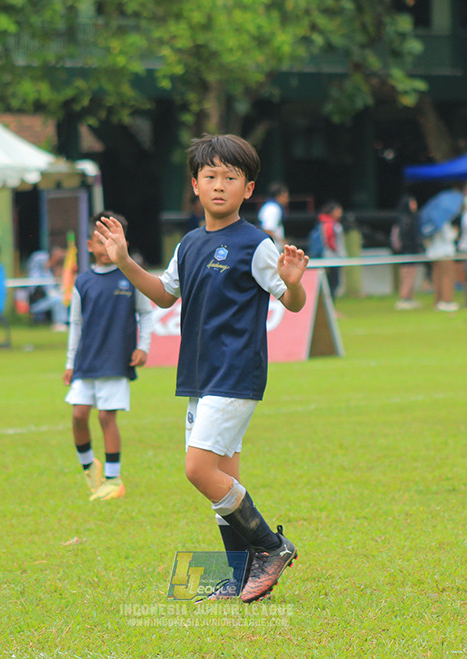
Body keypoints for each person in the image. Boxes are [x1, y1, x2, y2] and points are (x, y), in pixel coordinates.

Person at [94, 134, 306, 603]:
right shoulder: (189, 244)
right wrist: (125, 260)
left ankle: (272, 547)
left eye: (230, 178)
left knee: (197, 469)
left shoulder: (257, 245)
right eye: (210, 176)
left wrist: (293, 286)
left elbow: (291, 304)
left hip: (236, 374)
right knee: (221, 483)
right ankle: (238, 580)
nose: (219, 185)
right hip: (200, 375)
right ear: (194, 184)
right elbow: (164, 294)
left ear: (248, 189)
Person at [63, 211, 153, 501]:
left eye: (111, 241)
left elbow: (145, 313)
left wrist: (143, 347)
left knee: (106, 418)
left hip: (116, 360)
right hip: (86, 361)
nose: (105, 249)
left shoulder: (130, 276)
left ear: (123, 243)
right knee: (78, 415)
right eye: (99, 242)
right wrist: (69, 363)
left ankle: (114, 480)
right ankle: (90, 468)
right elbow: (75, 324)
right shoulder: (82, 282)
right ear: (90, 245)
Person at [424, 202, 459, 312]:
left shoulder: (431, 222)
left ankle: (437, 300)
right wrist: (456, 231)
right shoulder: (443, 222)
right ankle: (446, 300)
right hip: (445, 253)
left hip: (434, 253)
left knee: (437, 277)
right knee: (447, 277)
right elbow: (449, 237)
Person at [392, 194, 423, 310]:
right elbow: (407, 237)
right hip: (407, 252)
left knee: (411, 275)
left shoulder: (410, 218)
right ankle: (403, 298)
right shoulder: (406, 219)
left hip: (409, 251)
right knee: (407, 276)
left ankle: (409, 297)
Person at [27, 248, 69, 330]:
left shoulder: (48, 273)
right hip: (37, 305)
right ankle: (58, 323)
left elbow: (51, 289)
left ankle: (65, 322)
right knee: (58, 300)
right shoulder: (35, 274)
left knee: (62, 297)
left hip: (48, 299)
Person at [316, 200, 346, 300]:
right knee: (332, 283)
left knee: (332, 283)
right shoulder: (329, 224)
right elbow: (329, 240)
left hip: (331, 258)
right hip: (331, 258)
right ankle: (331, 308)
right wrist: (338, 252)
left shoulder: (325, 223)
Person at [257, 181, 289, 247]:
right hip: (269, 251)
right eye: (286, 196)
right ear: (279, 196)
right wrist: (283, 243)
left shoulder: (270, 206)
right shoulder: (273, 208)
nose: (287, 199)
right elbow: (267, 229)